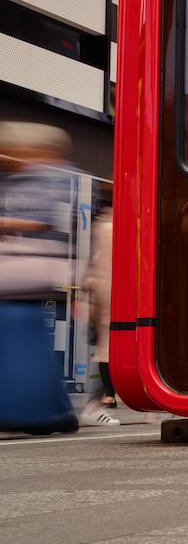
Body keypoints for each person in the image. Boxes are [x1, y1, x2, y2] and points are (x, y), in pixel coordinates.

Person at [0, 123, 80, 435]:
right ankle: (55, 410)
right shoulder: (21, 177)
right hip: (20, 273)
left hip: (28, 271)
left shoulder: (54, 178)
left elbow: (45, 220)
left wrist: (5, 221)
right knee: (28, 340)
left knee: (20, 335)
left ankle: (36, 412)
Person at [79, 194, 120, 426]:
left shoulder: (105, 224)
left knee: (106, 349)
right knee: (106, 350)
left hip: (107, 296)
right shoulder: (112, 227)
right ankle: (95, 405)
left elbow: (94, 264)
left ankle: (99, 402)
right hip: (113, 297)